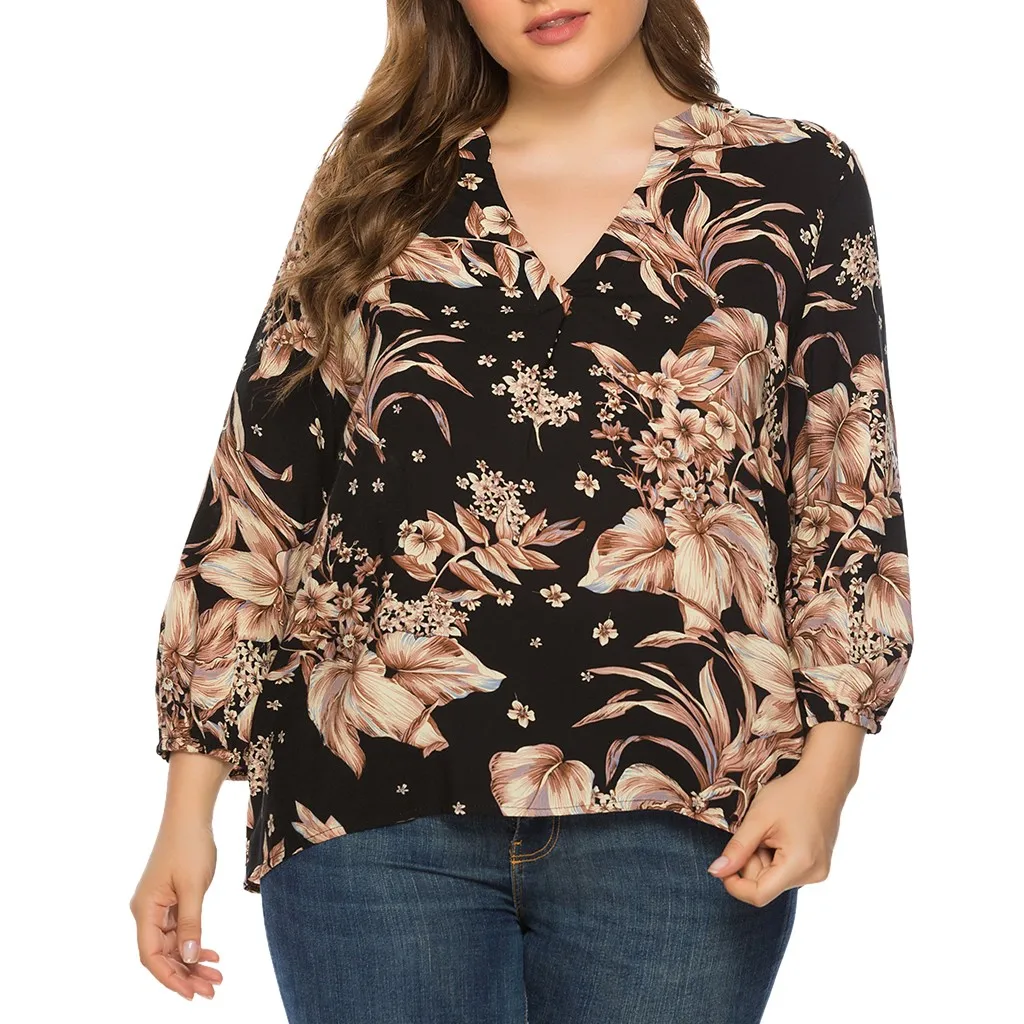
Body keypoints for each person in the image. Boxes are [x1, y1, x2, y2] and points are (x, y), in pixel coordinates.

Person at [130, 1, 915, 1021]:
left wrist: (830, 768)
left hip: (682, 802)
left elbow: (844, 486)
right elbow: (261, 484)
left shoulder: (794, 176)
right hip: (369, 806)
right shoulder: (383, 180)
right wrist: (185, 805)